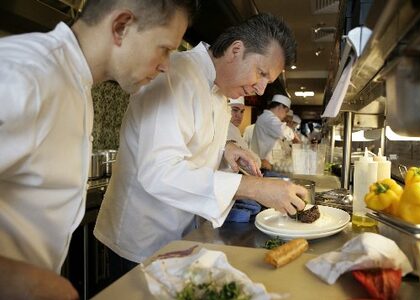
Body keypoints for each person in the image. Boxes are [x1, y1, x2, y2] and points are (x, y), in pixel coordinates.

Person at [0, 0, 197, 300]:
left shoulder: (75, 81)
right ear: (121, 27)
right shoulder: (24, 74)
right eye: (165, 48)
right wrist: (24, 281)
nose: (166, 65)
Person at [94, 13, 308, 268]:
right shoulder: (174, 75)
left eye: (268, 81)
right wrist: (252, 187)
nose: (261, 90)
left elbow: (194, 141)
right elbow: (159, 171)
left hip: (183, 237)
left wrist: (227, 148)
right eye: (261, 74)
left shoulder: (219, 90)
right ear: (236, 50)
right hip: (142, 241)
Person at [250, 94, 296, 173]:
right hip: (264, 167)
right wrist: (296, 138)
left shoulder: (269, 118)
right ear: (280, 107)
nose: (285, 115)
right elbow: (284, 131)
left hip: (270, 167)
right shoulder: (267, 117)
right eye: (286, 111)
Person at [225, 97, 261, 169]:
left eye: (242, 112)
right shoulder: (224, 128)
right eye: (235, 110)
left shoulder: (235, 130)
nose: (239, 116)